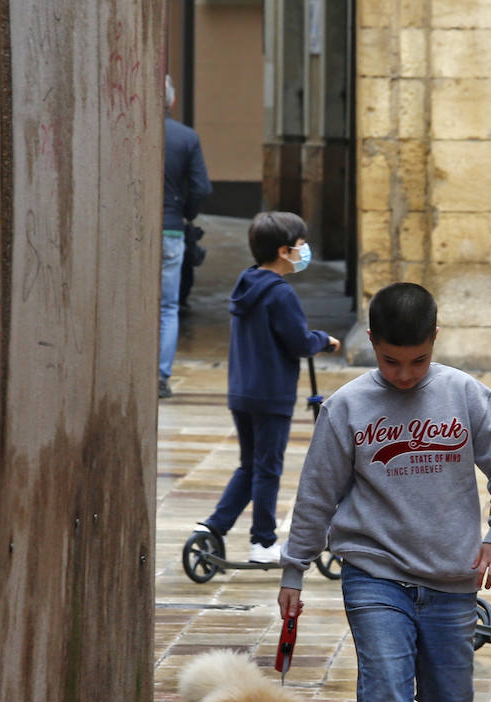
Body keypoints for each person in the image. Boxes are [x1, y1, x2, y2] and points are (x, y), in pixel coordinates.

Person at [277, 282, 491, 702]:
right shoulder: (346, 407)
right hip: (375, 575)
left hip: (451, 581)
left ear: (434, 341)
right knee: (385, 700)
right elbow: (317, 494)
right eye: (391, 361)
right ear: (373, 344)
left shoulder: (466, 395)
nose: (405, 374)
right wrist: (293, 568)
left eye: (417, 360)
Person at [197, 212, 340, 564]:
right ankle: (262, 542)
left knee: (250, 465)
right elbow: (298, 342)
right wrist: (324, 340)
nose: (306, 250)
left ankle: (214, 527)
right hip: (272, 394)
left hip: (242, 392)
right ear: (284, 250)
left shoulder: (246, 283)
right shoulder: (280, 294)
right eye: (302, 244)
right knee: (268, 468)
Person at [160, 76, 212, 398]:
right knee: (167, 307)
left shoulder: (127, 131)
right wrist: (186, 214)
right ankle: (161, 377)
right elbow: (201, 188)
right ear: (172, 101)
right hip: (170, 228)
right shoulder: (185, 137)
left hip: (132, 232)